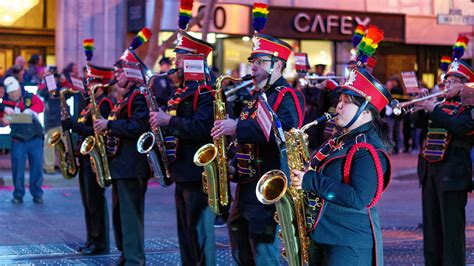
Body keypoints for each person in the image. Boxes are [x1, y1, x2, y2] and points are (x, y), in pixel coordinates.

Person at [212, 32, 305, 264]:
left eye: (260, 62)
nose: (253, 67)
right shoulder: (255, 97)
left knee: (263, 253)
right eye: (252, 62)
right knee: (240, 246)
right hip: (245, 186)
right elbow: (247, 138)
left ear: (278, 66)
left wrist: (237, 127)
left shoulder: (288, 96)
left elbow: (283, 133)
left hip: (267, 187)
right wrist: (231, 162)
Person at [291, 66, 393, 265]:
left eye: (346, 103)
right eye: (340, 100)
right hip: (325, 234)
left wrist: (310, 180)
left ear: (365, 113)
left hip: (348, 243)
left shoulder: (367, 148)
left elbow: (358, 198)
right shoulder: (343, 137)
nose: (338, 106)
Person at [149, 30, 216, 265]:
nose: (176, 61)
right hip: (182, 170)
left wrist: (169, 121)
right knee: (186, 234)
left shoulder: (207, 90)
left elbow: (201, 127)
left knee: (200, 235)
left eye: (181, 56)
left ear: (195, 58)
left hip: (198, 172)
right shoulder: (184, 89)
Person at [94, 32, 152, 265]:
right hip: (121, 165)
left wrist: (109, 124)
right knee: (121, 215)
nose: (116, 74)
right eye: (117, 71)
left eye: (121, 70)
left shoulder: (138, 96)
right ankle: (126, 253)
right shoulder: (125, 97)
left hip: (132, 165)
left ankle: (135, 258)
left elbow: (137, 126)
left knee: (130, 215)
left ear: (132, 73)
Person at [413, 57, 473, 266]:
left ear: (465, 84)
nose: (447, 84)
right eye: (447, 80)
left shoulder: (470, 107)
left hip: (453, 176)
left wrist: (432, 109)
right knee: (431, 230)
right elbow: (419, 125)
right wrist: (420, 104)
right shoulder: (439, 104)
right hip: (429, 172)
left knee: (452, 233)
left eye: (454, 80)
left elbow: (460, 128)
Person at [63, 64, 114, 255]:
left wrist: (74, 126)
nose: (87, 84)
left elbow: (98, 130)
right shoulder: (90, 104)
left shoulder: (105, 103)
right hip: (85, 155)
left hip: (96, 157)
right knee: (87, 201)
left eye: (91, 80)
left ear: (100, 83)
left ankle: (100, 241)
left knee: (95, 201)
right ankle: (91, 238)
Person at [2, 76, 45, 204]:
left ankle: (37, 193)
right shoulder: (5, 103)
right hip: (18, 140)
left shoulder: (29, 97)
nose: (13, 94)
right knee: (17, 169)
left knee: (37, 168)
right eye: (11, 93)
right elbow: (4, 121)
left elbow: (40, 105)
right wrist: (6, 115)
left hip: (35, 138)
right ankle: (18, 194)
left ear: (19, 89)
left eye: (15, 91)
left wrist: (30, 111)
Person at [38, 66, 62, 174]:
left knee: (64, 146)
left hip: (62, 120)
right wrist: (47, 80)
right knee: (49, 145)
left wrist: (61, 79)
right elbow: (41, 92)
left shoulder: (62, 85)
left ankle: (67, 167)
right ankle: (49, 167)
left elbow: (73, 90)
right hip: (51, 121)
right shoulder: (46, 87)